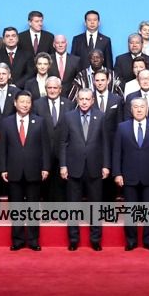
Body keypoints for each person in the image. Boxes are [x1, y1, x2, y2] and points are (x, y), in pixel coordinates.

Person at [112, 97, 149, 251]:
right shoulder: (122, 127)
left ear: (147, 109)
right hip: (129, 176)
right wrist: (117, 173)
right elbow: (117, 152)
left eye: (142, 106)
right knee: (131, 210)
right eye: (135, 107)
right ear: (131, 110)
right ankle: (131, 241)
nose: (139, 109)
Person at [0, 90, 49, 250]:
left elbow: (45, 147)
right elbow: (3, 148)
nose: (25, 105)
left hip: (34, 170)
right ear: (15, 103)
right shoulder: (6, 122)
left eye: (28, 102)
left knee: (33, 207)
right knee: (16, 207)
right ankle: (18, 240)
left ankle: (33, 241)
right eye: (22, 101)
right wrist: (3, 168)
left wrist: (45, 167)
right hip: (13, 170)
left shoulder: (39, 121)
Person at [60, 89, 108, 250]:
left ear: (92, 100)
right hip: (73, 167)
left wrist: (106, 165)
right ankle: (73, 239)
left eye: (87, 99)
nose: (84, 102)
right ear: (77, 100)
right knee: (73, 205)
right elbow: (63, 143)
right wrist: (63, 165)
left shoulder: (101, 116)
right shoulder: (68, 117)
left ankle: (95, 239)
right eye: (82, 99)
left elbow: (105, 143)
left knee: (96, 205)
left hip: (95, 167)